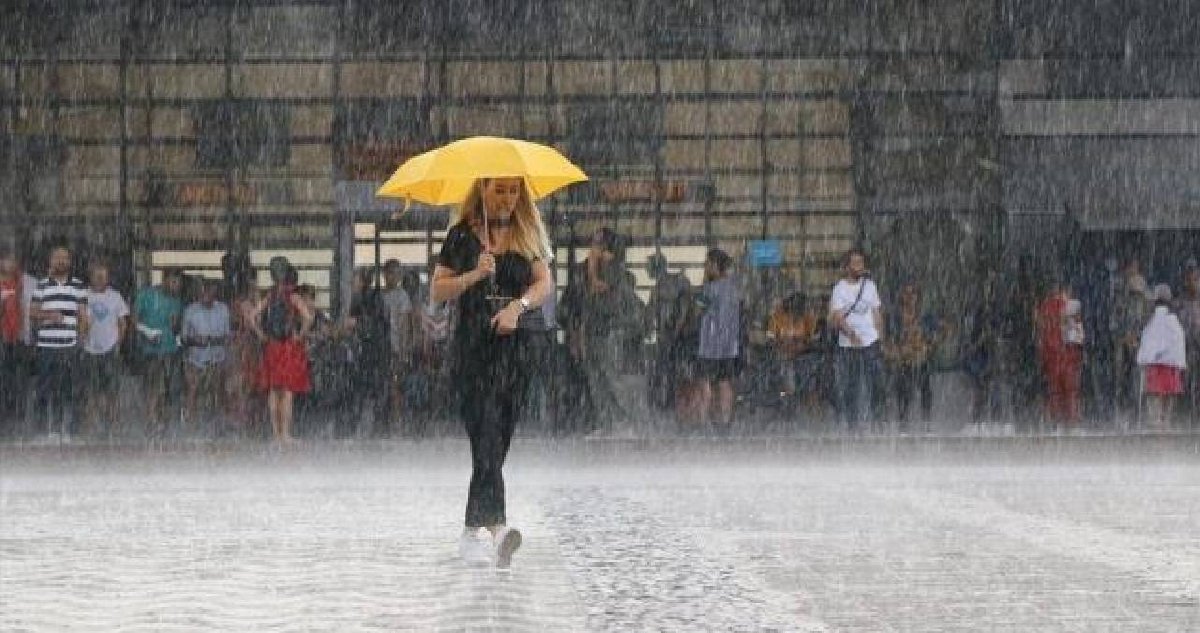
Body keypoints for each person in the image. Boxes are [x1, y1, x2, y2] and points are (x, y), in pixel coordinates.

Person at [431, 177, 554, 568]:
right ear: (481, 190)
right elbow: (438, 290)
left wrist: (517, 307)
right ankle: (499, 527)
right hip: (472, 351)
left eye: (513, 190)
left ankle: (471, 531)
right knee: (484, 429)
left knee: (497, 438)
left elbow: (544, 283)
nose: (507, 199)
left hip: (517, 352)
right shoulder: (461, 236)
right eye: (499, 190)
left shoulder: (527, 234)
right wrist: (474, 275)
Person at [249, 257, 314, 446]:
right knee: (286, 391)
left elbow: (252, 316)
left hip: (272, 346)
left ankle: (276, 435)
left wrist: (261, 335)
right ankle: (285, 433)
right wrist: (300, 335)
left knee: (273, 390)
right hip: (287, 347)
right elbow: (308, 318)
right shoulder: (293, 296)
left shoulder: (269, 296)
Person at [29, 244, 89, 442]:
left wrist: (80, 342)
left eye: (64, 258)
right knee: (45, 389)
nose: (61, 261)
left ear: (70, 262)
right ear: (50, 261)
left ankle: (70, 431)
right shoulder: (42, 285)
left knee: (69, 389)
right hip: (46, 346)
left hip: (69, 346)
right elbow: (32, 312)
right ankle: (45, 431)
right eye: (57, 258)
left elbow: (83, 316)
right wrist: (50, 314)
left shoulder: (78, 285)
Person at [828, 248, 884, 433]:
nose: (860, 267)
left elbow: (876, 312)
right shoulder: (839, 289)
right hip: (849, 343)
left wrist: (879, 337)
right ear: (847, 267)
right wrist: (851, 334)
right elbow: (836, 316)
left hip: (870, 341)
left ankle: (877, 419)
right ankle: (852, 424)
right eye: (856, 263)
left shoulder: (870, 286)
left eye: (861, 263)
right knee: (851, 383)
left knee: (876, 382)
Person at [884, 282, 941, 431]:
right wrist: (897, 349)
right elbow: (889, 337)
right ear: (902, 296)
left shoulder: (925, 315)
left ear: (917, 297)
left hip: (921, 358)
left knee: (925, 388)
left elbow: (938, 333)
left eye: (913, 294)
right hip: (903, 358)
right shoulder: (895, 317)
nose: (910, 298)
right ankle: (903, 421)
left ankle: (926, 421)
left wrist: (928, 346)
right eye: (906, 294)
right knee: (903, 389)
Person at [82, 262, 129, 438]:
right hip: (89, 350)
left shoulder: (115, 296)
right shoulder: (83, 295)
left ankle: (114, 429)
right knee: (90, 393)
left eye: (104, 276)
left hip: (110, 350)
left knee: (112, 392)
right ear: (91, 276)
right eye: (97, 275)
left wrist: (118, 344)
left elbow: (123, 323)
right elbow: (79, 323)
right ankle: (90, 430)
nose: (101, 279)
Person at [135, 267, 183, 436]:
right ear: (165, 280)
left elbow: (176, 327)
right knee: (153, 388)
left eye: (179, 283)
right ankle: (151, 422)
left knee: (169, 390)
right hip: (151, 351)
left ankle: (163, 424)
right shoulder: (146, 295)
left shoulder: (177, 301)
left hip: (171, 351)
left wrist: (178, 339)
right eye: (174, 282)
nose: (177, 286)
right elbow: (133, 320)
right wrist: (147, 332)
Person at [697, 248, 741, 431]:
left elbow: (698, 309)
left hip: (710, 346)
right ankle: (725, 422)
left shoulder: (709, 289)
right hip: (729, 347)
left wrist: (705, 281)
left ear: (715, 265)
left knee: (705, 383)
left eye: (707, 264)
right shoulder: (734, 288)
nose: (705, 267)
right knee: (725, 383)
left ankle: (703, 423)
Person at [181, 280, 230, 436]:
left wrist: (214, 340)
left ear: (215, 294)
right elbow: (183, 338)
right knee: (193, 390)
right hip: (196, 358)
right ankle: (190, 424)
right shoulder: (190, 310)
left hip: (217, 357)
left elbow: (228, 336)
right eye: (204, 293)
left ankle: (218, 425)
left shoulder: (223, 309)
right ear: (200, 293)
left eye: (210, 293)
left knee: (218, 391)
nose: (207, 296)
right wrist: (197, 341)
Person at [1035, 278, 1084, 429]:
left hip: (1051, 354)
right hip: (1068, 354)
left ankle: (1057, 421)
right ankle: (1072, 420)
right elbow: (1077, 334)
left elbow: (1041, 332)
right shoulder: (1070, 306)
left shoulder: (1044, 307)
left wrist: (1042, 354)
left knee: (1054, 390)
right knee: (1070, 391)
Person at [1138, 284, 1187, 430]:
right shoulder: (1174, 321)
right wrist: (1180, 363)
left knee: (1154, 397)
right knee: (1168, 399)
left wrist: (1143, 359)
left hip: (1155, 367)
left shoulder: (1152, 320)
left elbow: (1148, 342)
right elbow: (1178, 343)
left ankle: (1156, 424)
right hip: (1171, 367)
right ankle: (1165, 424)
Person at [768, 292, 824, 417]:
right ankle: (786, 402)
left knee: (809, 374)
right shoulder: (777, 318)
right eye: (792, 307)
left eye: (799, 308)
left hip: (804, 356)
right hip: (783, 355)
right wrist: (783, 347)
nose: (795, 311)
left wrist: (801, 346)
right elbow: (770, 340)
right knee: (786, 375)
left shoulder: (809, 319)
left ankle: (811, 406)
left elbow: (815, 341)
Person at [646, 253, 689, 411]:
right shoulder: (676, 282)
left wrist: (675, 331)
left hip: (671, 335)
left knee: (667, 370)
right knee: (668, 370)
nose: (646, 270)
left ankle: (668, 402)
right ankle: (668, 402)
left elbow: (683, 310)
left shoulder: (667, 285)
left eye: (648, 267)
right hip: (671, 335)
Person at [379, 259, 416, 437]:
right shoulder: (379, 295)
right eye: (389, 273)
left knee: (395, 384)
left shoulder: (402, 296)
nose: (392, 277)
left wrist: (404, 347)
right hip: (382, 346)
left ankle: (397, 420)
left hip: (395, 346)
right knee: (385, 384)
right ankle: (388, 420)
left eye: (395, 273)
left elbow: (405, 324)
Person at [1112, 259, 1150, 421]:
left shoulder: (1144, 294)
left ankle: (1136, 410)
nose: (1132, 271)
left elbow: (1147, 317)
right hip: (1122, 339)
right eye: (1129, 267)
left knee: (1136, 376)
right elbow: (1115, 315)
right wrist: (1122, 334)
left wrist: (1137, 334)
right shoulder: (1120, 290)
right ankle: (1122, 409)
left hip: (1136, 340)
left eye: (1134, 267)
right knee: (1121, 376)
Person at [226, 279, 262, 435]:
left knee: (251, 387)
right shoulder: (242, 305)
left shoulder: (259, 305)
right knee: (240, 387)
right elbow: (244, 325)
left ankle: (248, 421)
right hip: (243, 349)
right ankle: (240, 420)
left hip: (252, 349)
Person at [1, 250, 28, 436]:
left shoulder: (23, 283)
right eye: (6, 260)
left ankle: (13, 420)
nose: (9, 264)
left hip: (16, 339)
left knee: (14, 381)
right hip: (2, 337)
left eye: (13, 260)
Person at [1174, 263, 1200, 422]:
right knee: (1186, 378)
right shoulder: (1180, 302)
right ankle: (1186, 409)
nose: (1194, 283)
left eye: (1197, 279)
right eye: (1191, 279)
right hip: (1185, 346)